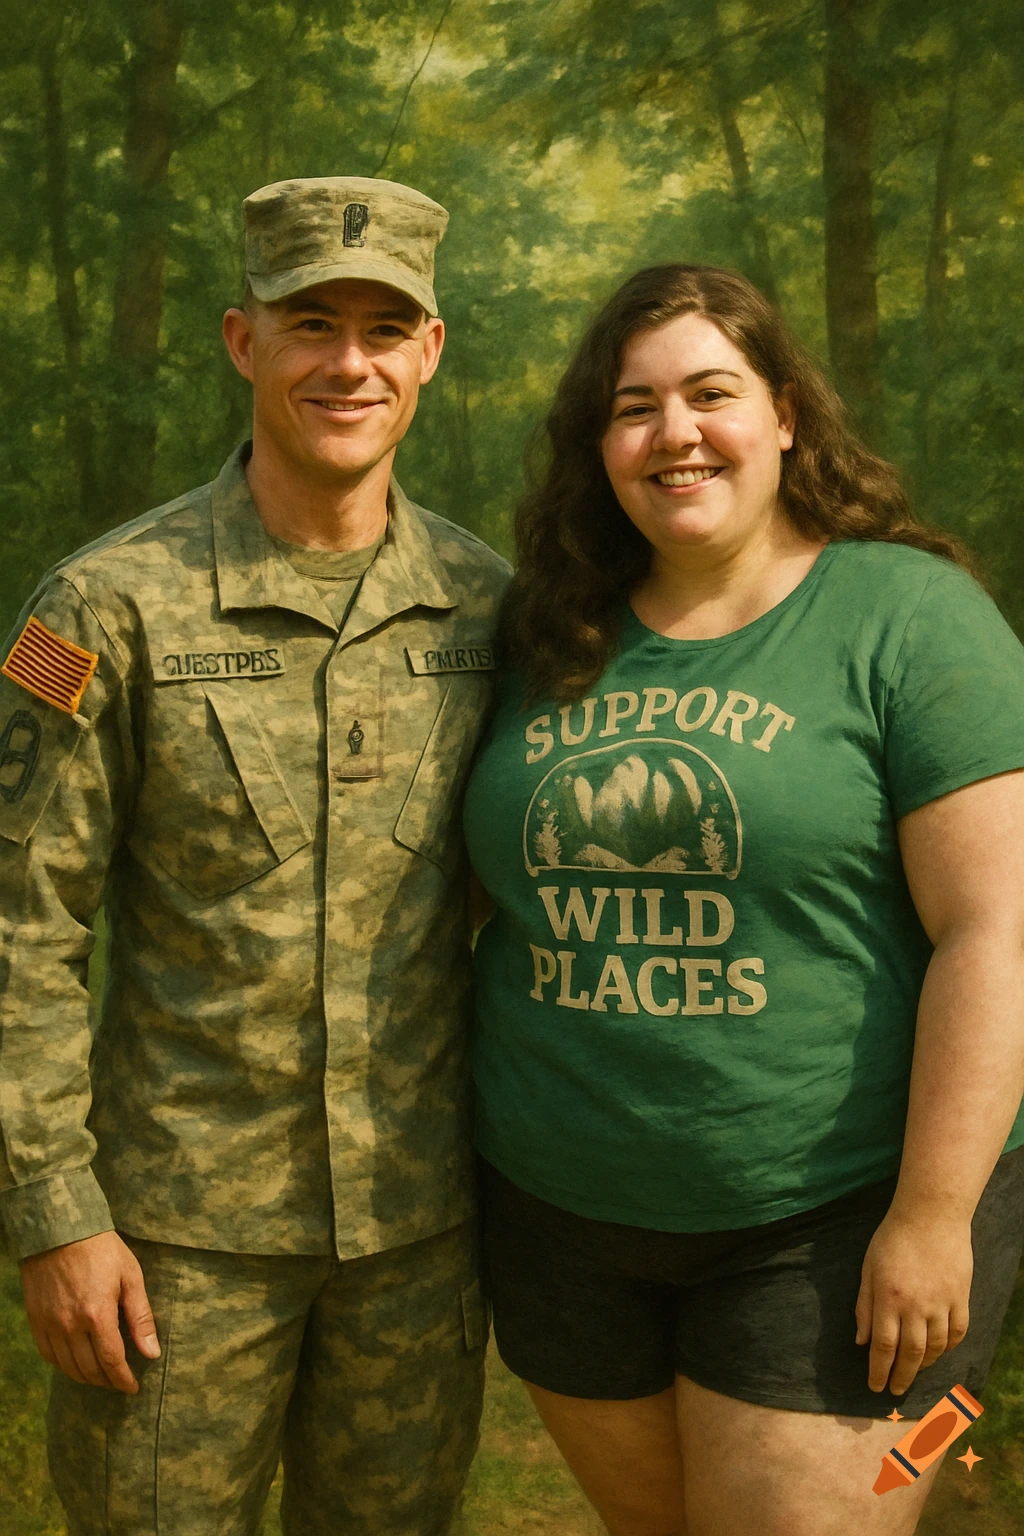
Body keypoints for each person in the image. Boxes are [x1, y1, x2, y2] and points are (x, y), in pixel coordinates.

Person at [462, 263, 1024, 1536]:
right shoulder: (547, 632)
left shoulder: (909, 615)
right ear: (597, 446)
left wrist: (935, 1219)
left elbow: (999, 929)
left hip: (837, 1217)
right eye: (632, 407)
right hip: (560, 1224)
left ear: (784, 413)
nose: (674, 433)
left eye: (710, 393)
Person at [0, 175, 509, 1536]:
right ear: (243, 339)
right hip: (174, 1250)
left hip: (416, 1241)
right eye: (311, 324)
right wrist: (54, 1214)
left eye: (384, 329)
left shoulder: (488, 609)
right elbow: (17, 924)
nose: (349, 362)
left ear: (431, 353)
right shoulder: (103, 607)